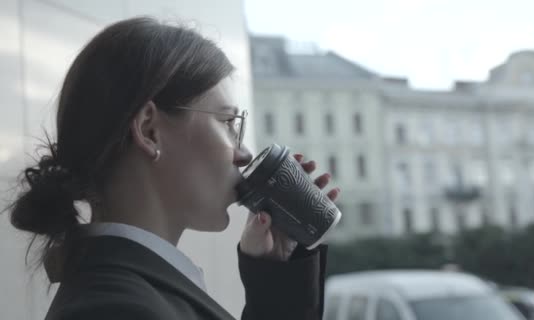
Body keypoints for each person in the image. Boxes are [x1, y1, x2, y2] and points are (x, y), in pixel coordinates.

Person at [7, 17, 340, 320]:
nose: (244, 152)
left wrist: (275, 280)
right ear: (149, 130)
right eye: (227, 122)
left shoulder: (131, 290)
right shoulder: (117, 309)